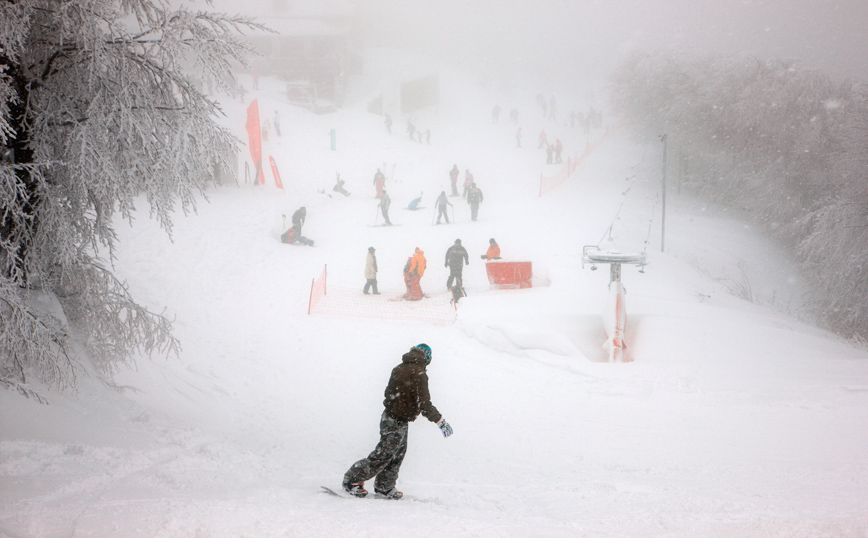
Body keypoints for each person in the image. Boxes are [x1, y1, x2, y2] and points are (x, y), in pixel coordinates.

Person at [342, 343, 453, 499]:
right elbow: (425, 405)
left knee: (396, 454)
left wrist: (400, 408)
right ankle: (352, 480)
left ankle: (384, 486)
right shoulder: (419, 373)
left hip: (392, 417)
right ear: (426, 357)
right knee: (385, 454)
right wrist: (440, 421)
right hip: (395, 420)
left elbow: (389, 393)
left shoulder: (399, 368)